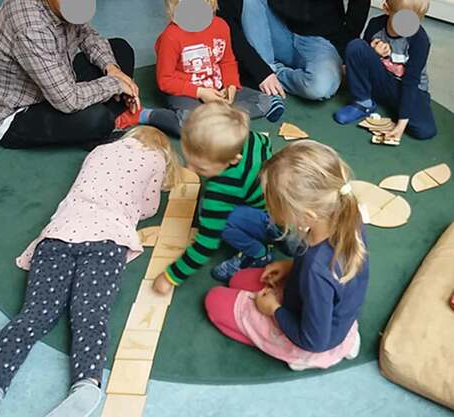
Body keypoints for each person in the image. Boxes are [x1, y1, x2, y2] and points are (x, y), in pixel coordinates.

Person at [0, 127, 181, 417]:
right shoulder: (156, 159)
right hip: (107, 238)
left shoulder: (100, 151)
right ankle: (86, 383)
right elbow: (148, 207)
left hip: (59, 234)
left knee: (34, 315)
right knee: (89, 314)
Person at [205, 141, 370, 371]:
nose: (271, 213)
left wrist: (273, 310)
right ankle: (344, 341)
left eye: (274, 207)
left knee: (214, 300)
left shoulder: (316, 270)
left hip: (312, 341)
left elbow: (315, 340)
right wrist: (291, 267)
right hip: (331, 312)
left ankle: (307, 358)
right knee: (238, 280)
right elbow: (331, 279)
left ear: (306, 215)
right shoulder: (348, 216)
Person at [0, 0, 174, 148]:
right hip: (18, 113)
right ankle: (97, 128)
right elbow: (67, 100)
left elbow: (89, 36)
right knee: (96, 118)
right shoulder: (30, 27)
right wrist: (115, 84)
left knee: (120, 50)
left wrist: (112, 70)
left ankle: (98, 123)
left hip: (54, 79)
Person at [152, 102, 273, 294]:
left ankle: (258, 254)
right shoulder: (252, 138)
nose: (191, 170)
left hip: (272, 220)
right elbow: (268, 146)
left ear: (233, 159)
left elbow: (206, 244)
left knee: (214, 220)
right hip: (277, 201)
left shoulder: (220, 189)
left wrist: (170, 277)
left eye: (200, 168)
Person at [152, 0, 285, 134]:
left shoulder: (221, 26)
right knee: (188, 125)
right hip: (185, 92)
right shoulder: (170, 37)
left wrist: (231, 85)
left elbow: (227, 61)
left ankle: (213, 118)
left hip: (218, 87)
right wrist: (200, 92)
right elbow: (165, 80)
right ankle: (149, 115)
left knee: (267, 101)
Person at [217, 0, 371, 100]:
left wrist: (345, 49)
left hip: (320, 39)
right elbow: (227, 21)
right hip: (277, 30)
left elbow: (359, 6)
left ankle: (275, 75)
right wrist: (261, 71)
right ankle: (268, 72)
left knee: (320, 88)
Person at [334, 0, 437, 141]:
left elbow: (411, 81)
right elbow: (363, 56)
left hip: (407, 88)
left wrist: (401, 124)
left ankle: (391, 105)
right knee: (356, 46)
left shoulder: (420, 40)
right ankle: (363, 102)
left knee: (425, 130)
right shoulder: (376, 25)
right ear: (386, 9)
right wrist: (374, 52)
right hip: (380, 79)